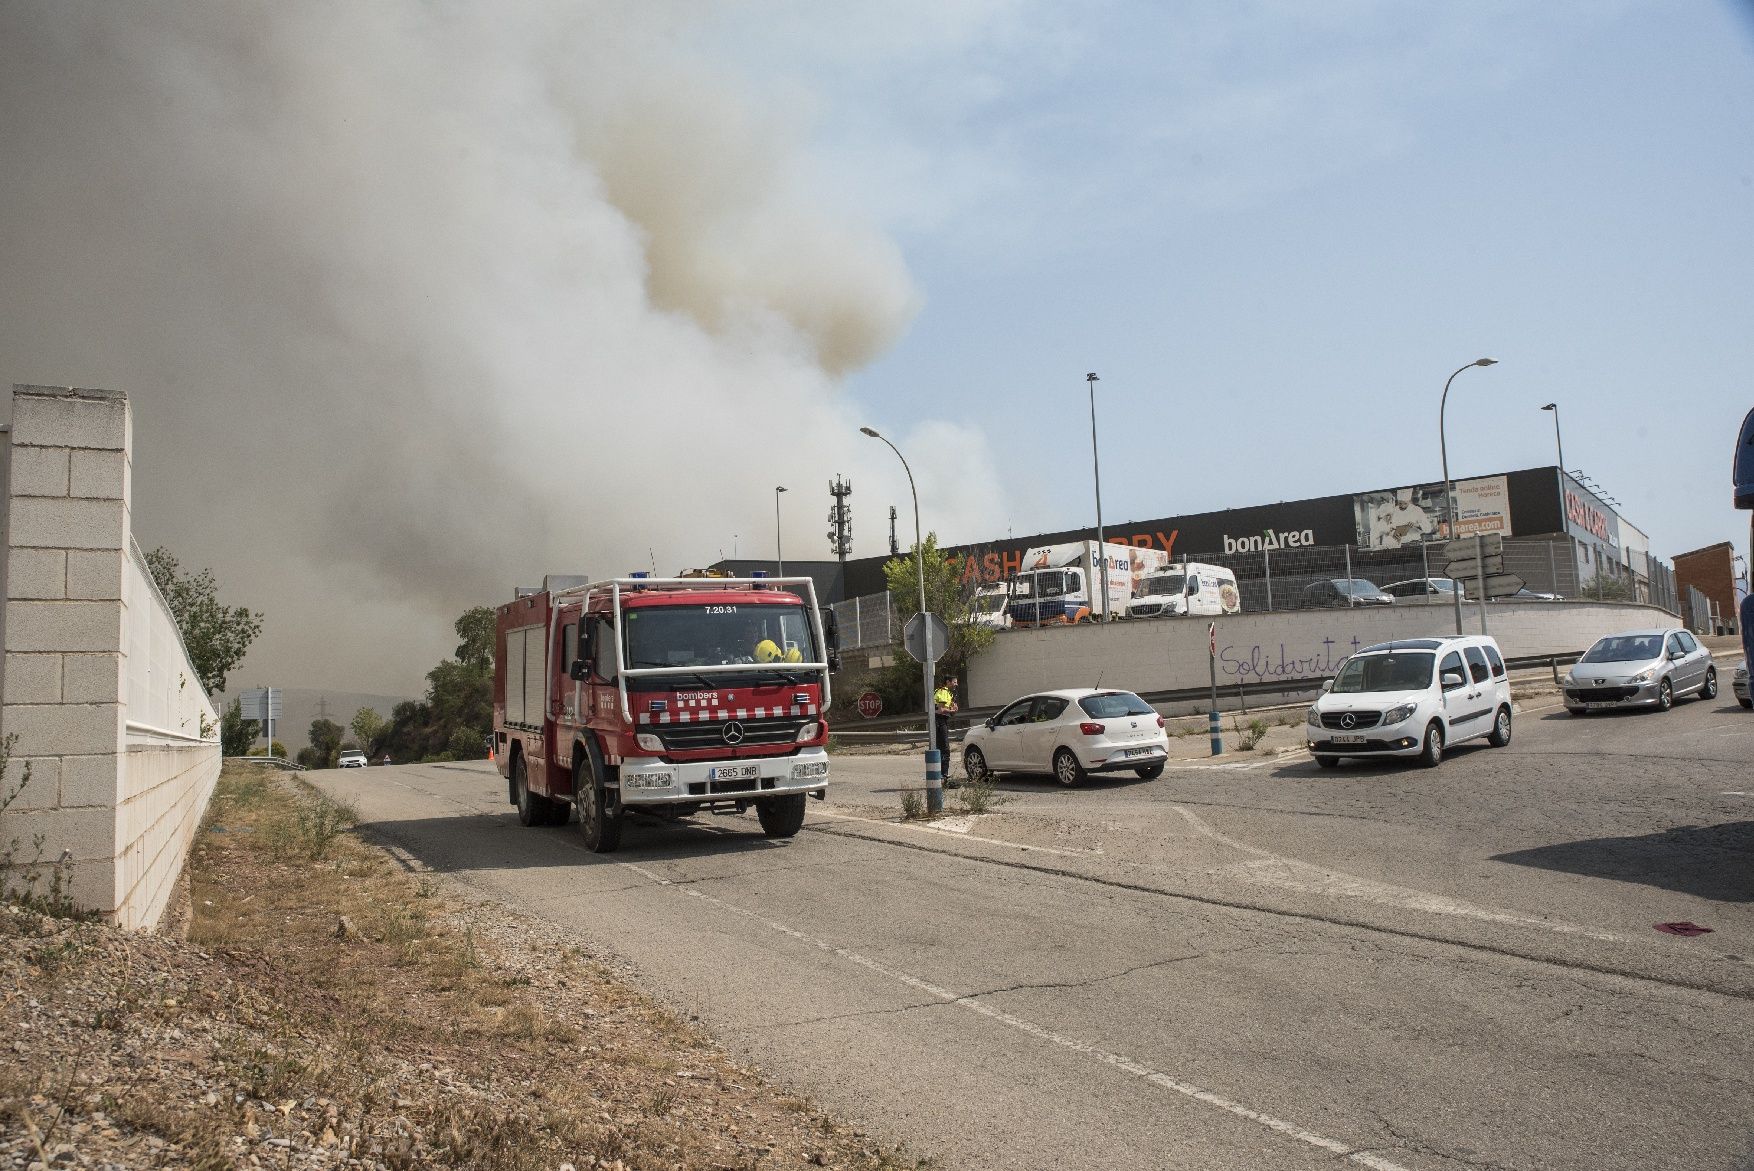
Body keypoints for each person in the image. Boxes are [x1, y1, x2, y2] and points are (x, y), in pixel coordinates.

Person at [933, 675, 959, 773]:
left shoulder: (947, 693)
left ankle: (942, 775)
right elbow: (940, 710)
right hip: (939, 721)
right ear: (948, 682)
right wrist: (951, 710)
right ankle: (944, 776)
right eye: (954, 682)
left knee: (942, 748)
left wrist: (954, 710)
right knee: (945, 749)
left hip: (942, 720)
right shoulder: (943, 692)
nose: (956, 684)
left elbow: (949, 711)